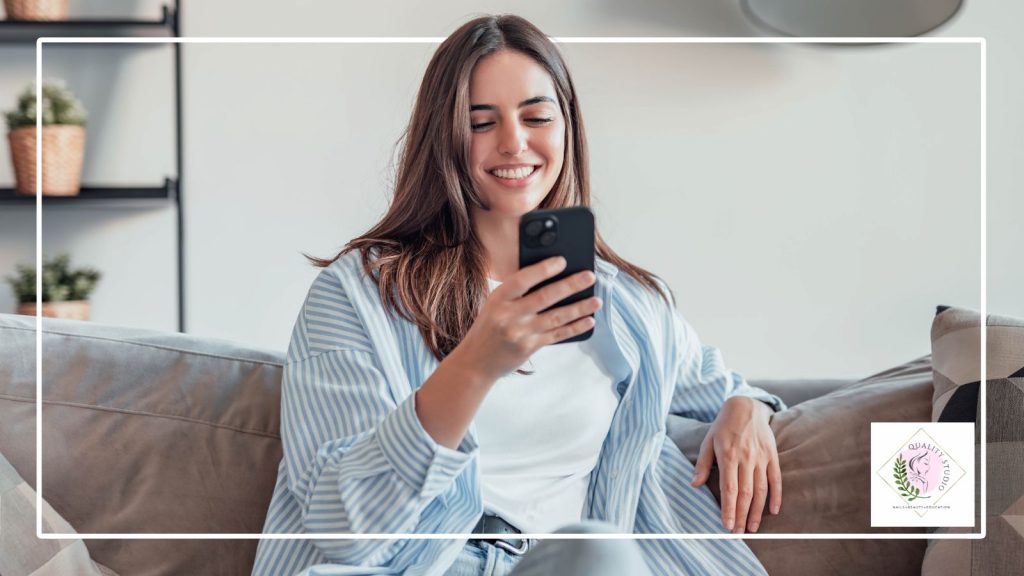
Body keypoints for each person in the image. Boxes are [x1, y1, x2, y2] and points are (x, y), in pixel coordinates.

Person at [252, 14, 786, 576]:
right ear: (445, 138)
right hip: (430, 565)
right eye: (480, 123)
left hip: (565, 565)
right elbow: (343, 527)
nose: (513, 143)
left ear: (565, 129)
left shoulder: (627, 305)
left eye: (536, 116)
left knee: (596, 552)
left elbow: (719, 385)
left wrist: (747, 408)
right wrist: (476, 365)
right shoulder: (359, 296)